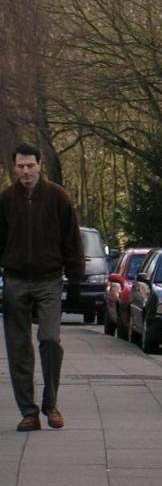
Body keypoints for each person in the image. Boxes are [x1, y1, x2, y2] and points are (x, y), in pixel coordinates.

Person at [0, 142, 84, 430]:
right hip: (15, 280)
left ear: (40, 165)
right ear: (15, 167)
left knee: (49, 340)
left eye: (30, 165)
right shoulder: (7, 199)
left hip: (49, 279)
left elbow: (73, 240)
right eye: (20, 166)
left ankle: (51, 404)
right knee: (18, 348)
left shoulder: (58, 197)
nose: (25, 171)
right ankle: (28, 411)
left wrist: (76, 280)